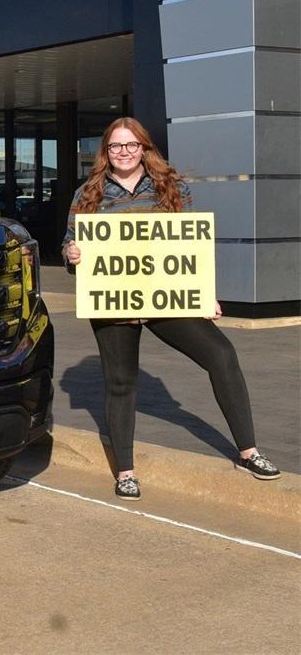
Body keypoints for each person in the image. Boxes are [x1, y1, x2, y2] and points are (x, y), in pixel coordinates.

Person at [61, 117, 280, 501]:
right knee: (121, 382)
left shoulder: (170, 187)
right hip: (115, 301)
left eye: (131, 145)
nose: (123, 152)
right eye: (115, 146)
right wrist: (72, 252)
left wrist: (203, 293)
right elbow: (70, 243)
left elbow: (190, 247)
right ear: (105, 152)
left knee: (222, 355)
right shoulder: (88, 193)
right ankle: (126, 472)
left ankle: (249, 451)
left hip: (166, 297)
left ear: (145, 148)